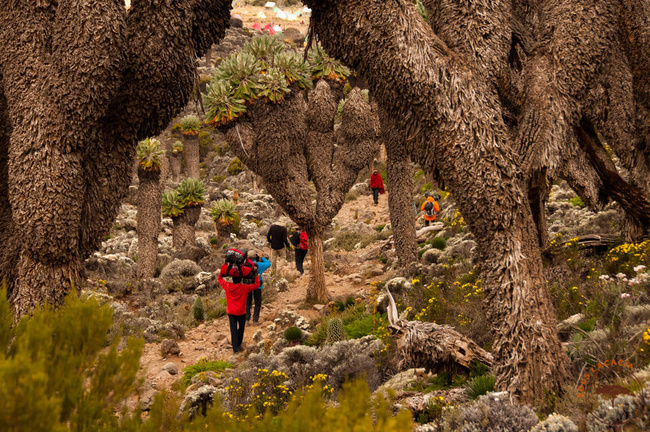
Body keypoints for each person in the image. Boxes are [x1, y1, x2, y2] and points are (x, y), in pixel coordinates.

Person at [218, 271, 260, 353]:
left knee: (233, 330)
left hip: (231, 312)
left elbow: (219, 279)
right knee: (241, 329)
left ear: (232, 279)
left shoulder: (227, 286)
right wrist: (255, 275)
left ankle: (235, 349)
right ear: (241, 279)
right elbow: (256, 285)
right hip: (241, 312)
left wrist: (222, 271)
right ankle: (239, 344)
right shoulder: (244, 288)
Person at [246, 252, 271, 324]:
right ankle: (255, 320)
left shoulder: (245, 265)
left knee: (248, 302)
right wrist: (262, 257)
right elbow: (268, 264)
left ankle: (246, 320)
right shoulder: (259, 265)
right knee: (257, 303)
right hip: (258, 286)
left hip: (247, 285)